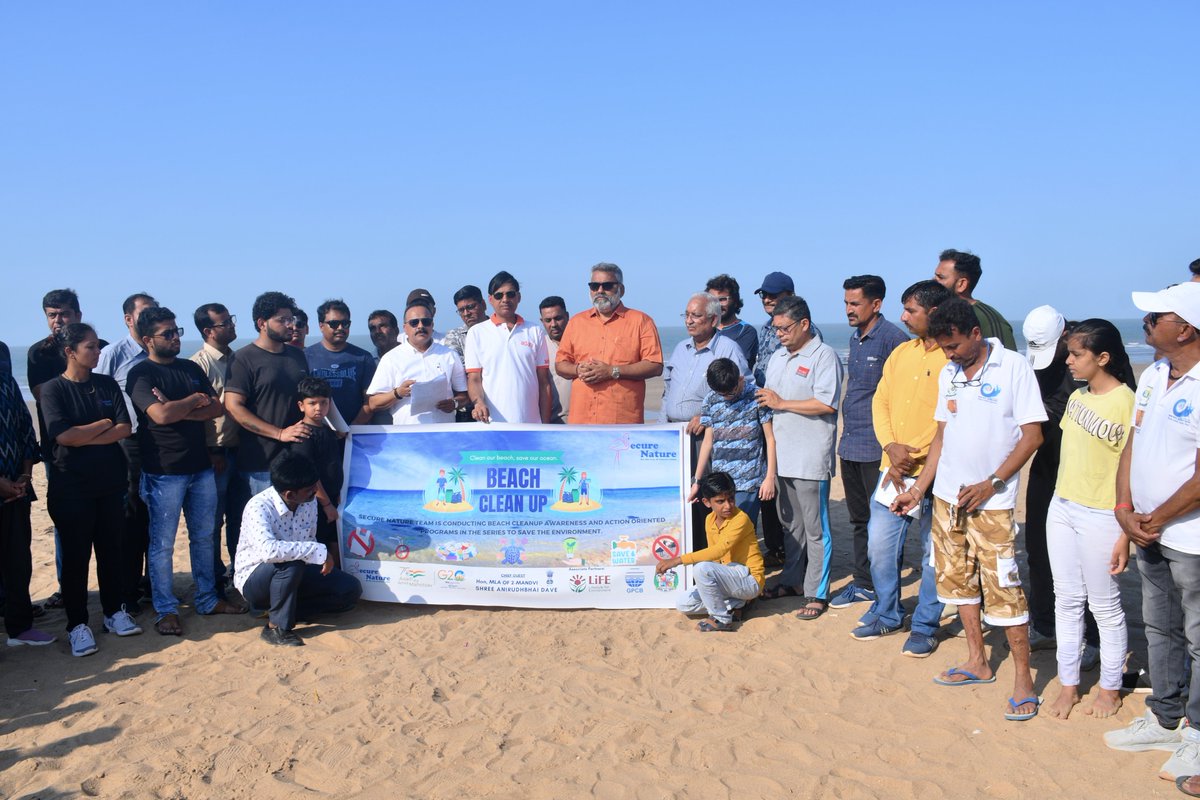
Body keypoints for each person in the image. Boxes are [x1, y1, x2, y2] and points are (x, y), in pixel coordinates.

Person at [892, 297, 1045, 722]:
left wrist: (992, 483)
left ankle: (1023, 682)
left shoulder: (1013, 367)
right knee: (957, 585)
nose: (949, 354)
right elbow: (942, 435)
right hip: (946, 500)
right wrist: (920, 488)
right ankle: (977, 661)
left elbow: (1032, 437)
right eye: (943, 347)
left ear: (975, 334)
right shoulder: (949, 372)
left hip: (992, 503)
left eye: (955, 345)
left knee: (1006, 592)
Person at [1106, 282, 1200, 785]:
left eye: (1154, 318)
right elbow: (1132, 445)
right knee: (1159, 628)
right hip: (1147, 530)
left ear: (1184, 327)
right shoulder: (1155, 374)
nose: (1144, 324)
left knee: (1198, 637)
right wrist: (1124, 508)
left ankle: (1197, 736)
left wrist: (1156, 517)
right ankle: (1165, 717)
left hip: (1190, 538)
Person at [127, 306, 247, 636]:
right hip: (163, 471)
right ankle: (165, 609)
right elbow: (160, 416)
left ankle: (208, 599)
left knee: (204, 537)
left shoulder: (190, 369)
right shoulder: (141, 374)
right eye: (168, 333)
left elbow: (217, 407)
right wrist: (192, 403)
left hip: (201, 468)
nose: (176, 337)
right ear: (148, 339)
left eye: (177, 331)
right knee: (162, 544)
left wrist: (180, 405)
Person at [1040, 319, 1134, 721]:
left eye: (1077, 354)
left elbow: (1133, 468)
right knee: (1067, 600)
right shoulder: (1077, 399)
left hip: (1104, 514)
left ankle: (1110, 688)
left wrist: (1125, 531)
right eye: (1069, 353)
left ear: (1103, 357)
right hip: (1062, 506)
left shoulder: (1128, 402)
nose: (1070, 361)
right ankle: (1068, 684)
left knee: (1105, 607)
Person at [850, 280, 950, 655]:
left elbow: (947, 422)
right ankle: (888, 612)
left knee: (933, 553)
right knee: (880, 543)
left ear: (934, 314)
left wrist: (915, 451)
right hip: (892, 468)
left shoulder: (952, 358)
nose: (903, 316)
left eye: (911, 311)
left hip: (937, 471)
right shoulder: (902, 353)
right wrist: (891, 447)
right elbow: (881, 401)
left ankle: (924, 625)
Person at [40, 323, 142, 655]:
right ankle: (77, 625)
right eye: (91, 347)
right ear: (70, 352)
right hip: (71, 487)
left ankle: (114, 613)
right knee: (76, 558)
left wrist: (87, 433)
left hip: (110, 483)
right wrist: (102, 424)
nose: (98, 353)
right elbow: (64, 437)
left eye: (98, 347)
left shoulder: (106, 383)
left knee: (112, 551)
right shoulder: (55, 389)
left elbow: (125, 427)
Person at [756, 295, 843, 621]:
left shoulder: (824, 356)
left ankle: (817, 592)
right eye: (776, 328)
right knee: (790, 526)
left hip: (810, 456)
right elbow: (771, 399)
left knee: (815, 528)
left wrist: (782, 403)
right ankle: (792, 581)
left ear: (804, 324)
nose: (779, 334)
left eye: (785, 328)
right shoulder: (778, 357)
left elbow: (827, 403)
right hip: (782, 455)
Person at [1020, 305, 1099, 661]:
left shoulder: (1096, 347)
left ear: (1066, 334)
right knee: (1037, 546)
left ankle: (1094, 639)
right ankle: (1045, 625)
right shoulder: (1036, 363)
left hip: (1085, 469)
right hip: (1047, 463)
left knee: (1085, 560)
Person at [831, 274, 909, 611]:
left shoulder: (894, 340)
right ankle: (864, 584)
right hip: (850, 443)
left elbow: (903, 397)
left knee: (886, 523)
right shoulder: (855, 338)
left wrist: (894, 446)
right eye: (846, 302)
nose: (848, 309)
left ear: (876, 304)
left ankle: (883, 587)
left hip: (878, 449)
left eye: (855, 303)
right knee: (859, 519)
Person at [234, 452, 362, 647]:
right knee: (289, 564)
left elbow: (307, 540)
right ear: (289, 494)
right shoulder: (258, 506)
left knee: (350, 590)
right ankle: (276, 627)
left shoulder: (307, 502)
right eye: (310, 489)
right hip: (256, 578)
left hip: (296, 572)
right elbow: (269, 552)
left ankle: (281, 609)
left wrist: (317, 558)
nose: (315, 492)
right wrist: (318, 551)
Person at [662, 293, 750, 548]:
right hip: (675, 434)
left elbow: (744, 387)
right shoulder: (681, 349)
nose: (689, 321)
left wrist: (707, 413)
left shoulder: (728, 349)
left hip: (705, 437)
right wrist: (662, 425)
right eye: (686, 315)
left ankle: (708, 552)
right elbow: (667, 389)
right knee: (682, 496)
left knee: (705, 495)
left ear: (713, 320)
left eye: (696, 316)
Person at [95, 292, 160, 609]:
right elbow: (98, 396)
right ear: (128, 319)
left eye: (155, 310)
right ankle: (128, 589)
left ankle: (152, 583)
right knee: (131, 517)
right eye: (146, 311)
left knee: (155, 517)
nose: (152, 315)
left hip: (159, 444)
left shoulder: (158, 349)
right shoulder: (113, 354)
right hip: (127, 443)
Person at [27, 288, 87, 609]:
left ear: (77, 314)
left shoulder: (97, 347)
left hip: (101, 450)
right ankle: (66, 587)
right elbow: (44, 399)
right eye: (52, 315)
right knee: (65, 520)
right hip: (57, 452)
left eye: (63, 313)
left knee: (109, 519)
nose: (58, 320)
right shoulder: (39, 353)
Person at [224, 292, 312, 497]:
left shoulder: (298, 356)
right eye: (283, 320)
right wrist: (279, 433)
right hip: (260, 465)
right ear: (262, 323)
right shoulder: (243, 358)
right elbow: (233, 407)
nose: (290, 325)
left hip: (298, 459)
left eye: (292, 319)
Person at [555, 263, 663, 424]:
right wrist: (577, 369)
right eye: (594, 286)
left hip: (622, 422)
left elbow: (655, 365)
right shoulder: (576, 322)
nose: (600, 291)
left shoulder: (641, 321)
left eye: (607, 286)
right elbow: (560, 364)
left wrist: (612, 371)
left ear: (621, 289)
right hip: (581, 421)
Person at [657, 472, 765, 632]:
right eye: (720, 501)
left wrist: (678, 560)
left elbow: (719, 551)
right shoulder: (709, 520)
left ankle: (722, 619)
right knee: (684, 604)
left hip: (749, 580)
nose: (728, 506)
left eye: (731, 499)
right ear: (707, 502)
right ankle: (739, 603)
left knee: (701, 568)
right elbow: (716, 559)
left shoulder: (740, 519)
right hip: (729, 579)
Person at [190, 302, 247, 598]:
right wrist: (210, 452)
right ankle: (212, 579)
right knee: (212, 521)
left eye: (231, 320)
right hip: (216, 454)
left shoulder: (239, 359)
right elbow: (198, 413)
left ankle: (240, 572)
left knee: (240, 517)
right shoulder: (198, 364)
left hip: (244, 451)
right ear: (208, 331)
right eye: (225, 323)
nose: (232, 326)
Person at [2, 334, 54, 648]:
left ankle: (20, 628)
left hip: (16, 488)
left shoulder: (4, 372)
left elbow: (23, 426)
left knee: (17, 560)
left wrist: (23, 474)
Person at [689, 357, 777, 545]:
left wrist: (769, 478)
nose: (726, 397)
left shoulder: (757, 397)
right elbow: (708, 442)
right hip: (721, 482)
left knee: (743, 534)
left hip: (750, 481)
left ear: (740, 380)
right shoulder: (711, 400)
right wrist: (697, 481)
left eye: (730, 392)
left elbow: (770, 439)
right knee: (723, 536)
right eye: (721, 393)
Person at [465, 271, 552, 424]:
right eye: (499, 295)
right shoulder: (476, 333)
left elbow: (543, 382)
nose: (505, 299)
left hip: (530, 424)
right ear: (490, 300)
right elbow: (474, 379)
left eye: (510, 294)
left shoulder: (534, 331)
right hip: (492, 424)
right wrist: (478, 402)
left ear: (518, 297)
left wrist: (544, 425)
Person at [367, 299, 468, 424]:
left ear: (432, 325)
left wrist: (454, 403)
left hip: (443, 434)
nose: (420, 326)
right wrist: (397, 393)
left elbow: (464, 395)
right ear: (405, 328)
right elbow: (373, 403)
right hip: (407, 436)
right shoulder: (391, 359)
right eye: (414, 323)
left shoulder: (449, 355)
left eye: (426, 322)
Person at [752, 272, 795, 565]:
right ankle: (775, 548)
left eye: (773, 294)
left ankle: (790, 550)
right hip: (763, 413)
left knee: (785, 486)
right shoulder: (765, 329)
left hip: (786, 415)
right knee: (766, 482)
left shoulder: (804, 329)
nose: (767, 299)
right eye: (763, 294)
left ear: (789, 295)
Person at [289, 377, 344, 566]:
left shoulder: (328, 431)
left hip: (332, 498)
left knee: (335, 540)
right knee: (319, 547)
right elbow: (309, 475)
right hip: (315, 504)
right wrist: (326, 503)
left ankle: (337, 580)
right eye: (312, 403)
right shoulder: (303, 435)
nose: (318, 408)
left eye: (324, 402)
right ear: (301, 405)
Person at [305, 299, 376, 425]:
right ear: (321, 326)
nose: (340, 328)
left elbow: (370, 401)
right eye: (334, 324)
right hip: (317, 434)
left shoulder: (363, 358)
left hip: (353, 434)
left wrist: (351, 429)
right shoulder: (306, 356)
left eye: (345, 323)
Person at [932, 249, 1017, 350]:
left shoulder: (988, 321)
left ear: (962, 284)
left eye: (940, 277)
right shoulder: (936, 314)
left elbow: (1006, 361)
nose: (933, 281)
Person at [705, 274, 758, 369]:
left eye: (722, 299)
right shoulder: (705, 330)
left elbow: (735, 367)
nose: (717, 305)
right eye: (712, 300)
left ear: (735, 300)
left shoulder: (745, 331)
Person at [539, 296, 572, 424]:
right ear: (542, 321)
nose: (553, 324)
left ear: (567, 316)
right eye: (548, 320)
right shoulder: (539, 348)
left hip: (583, 423)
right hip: (552, 424)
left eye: (558, 318)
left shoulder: (582, 343)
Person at [443, 285, 487, 363]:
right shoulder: (454, 336)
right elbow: (457, 366)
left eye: (470, 307)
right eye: (461, 310)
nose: (466, 313)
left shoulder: (499, 329)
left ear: (483, 304)